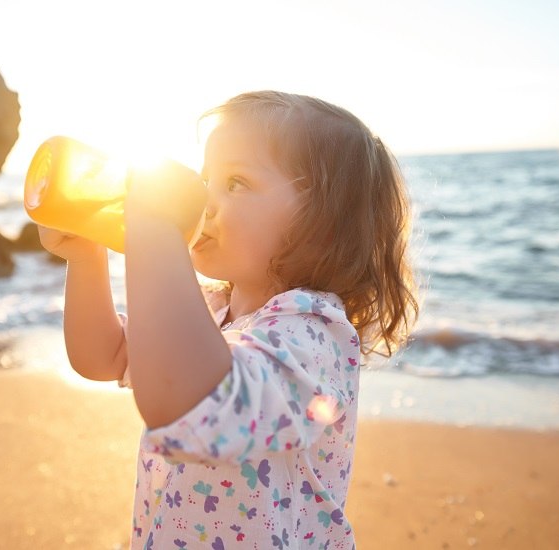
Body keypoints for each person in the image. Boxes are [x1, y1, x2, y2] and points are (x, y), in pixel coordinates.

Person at [38, 90, 418, 549]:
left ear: (324, 226)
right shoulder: (214, 308)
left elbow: (192, 397)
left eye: (235, 183)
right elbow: (104, 355)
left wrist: (156, 228)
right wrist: (87, 258)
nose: (204, 200)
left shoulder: (316, 334)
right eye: (204, 180)